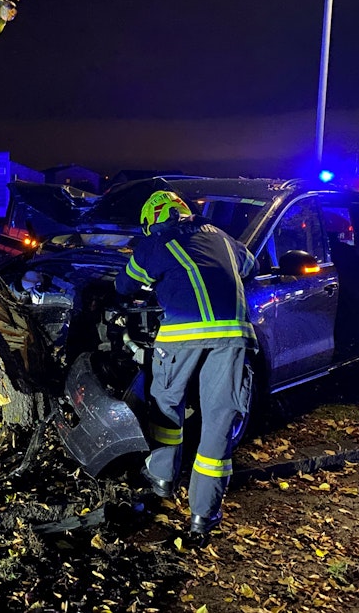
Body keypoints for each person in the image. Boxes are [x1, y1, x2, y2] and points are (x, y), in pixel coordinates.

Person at [114, 189, 257, 540]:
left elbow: (123, 285)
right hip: (233, 339)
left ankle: (162, 478)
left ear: (151, 223)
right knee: (219, 421)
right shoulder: (223, 238)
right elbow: (250, 266)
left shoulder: (152, 245)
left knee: (165, 406)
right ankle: (203, 517)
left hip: (180, 339)